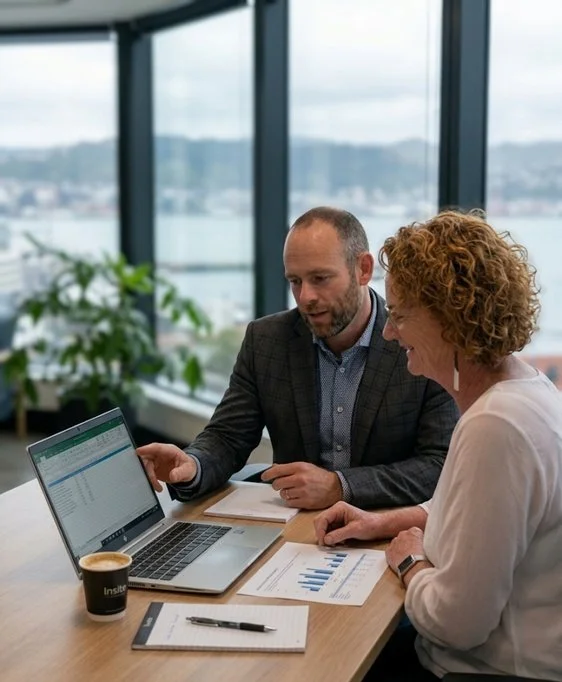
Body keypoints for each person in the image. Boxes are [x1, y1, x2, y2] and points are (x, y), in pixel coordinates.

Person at [314, 210, 562, 680]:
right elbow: (470, 512)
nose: (388, 332)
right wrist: (382, 522)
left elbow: (456, 623)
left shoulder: (497, 426)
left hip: (486, 670)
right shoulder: (526, 388)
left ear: (453, 319)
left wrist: (409, 560)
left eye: (401, 315)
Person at [138, 206, 458, 511]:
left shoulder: (417, 341)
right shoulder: (267, 341)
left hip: (388, 527)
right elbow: (228, 437)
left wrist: (340, 486)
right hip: (292, 531)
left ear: (363, 269)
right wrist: (191, 465)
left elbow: (439, 464)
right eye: (295, 281)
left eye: (320, 279)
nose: (306, 297)